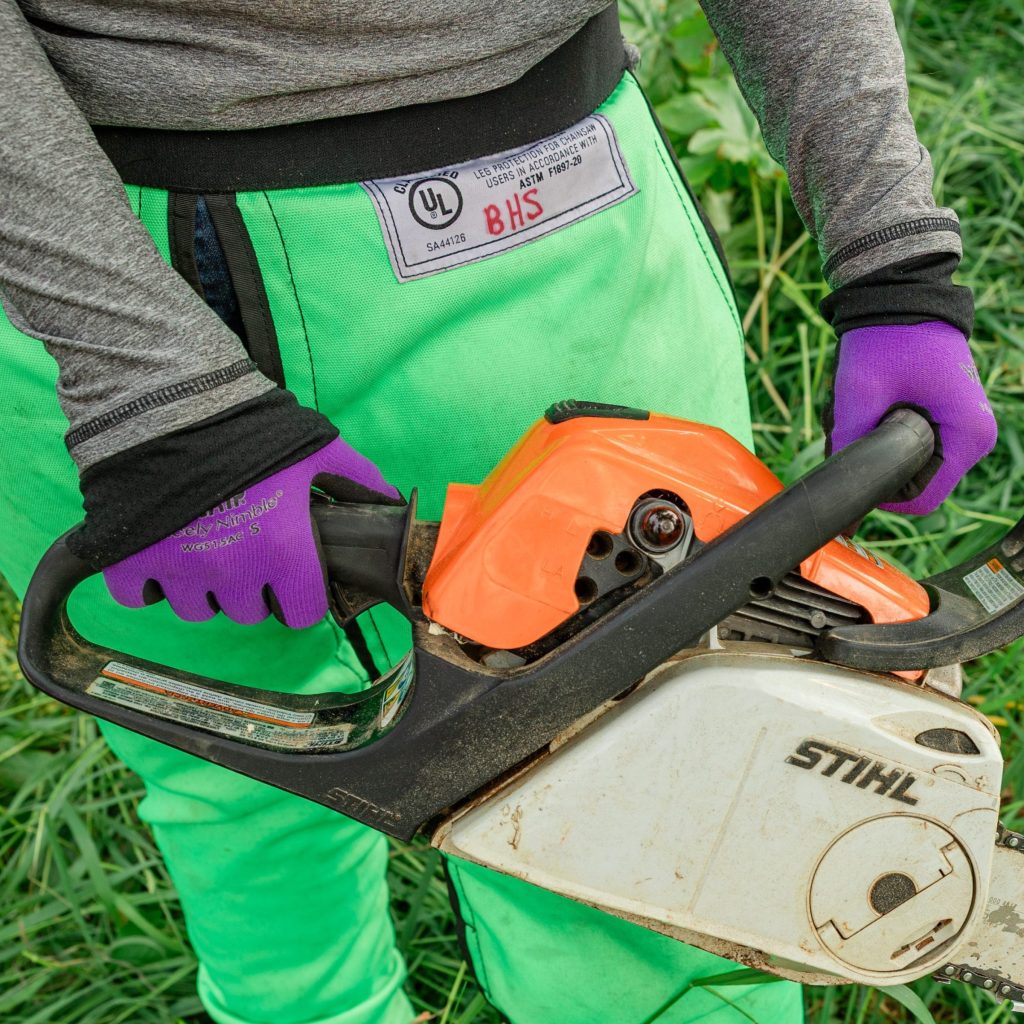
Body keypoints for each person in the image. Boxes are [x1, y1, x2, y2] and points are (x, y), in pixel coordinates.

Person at [0, 1, 996, 1022]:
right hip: (113, 252)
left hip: (578, 202)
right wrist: (151, 389)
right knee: (249, 801)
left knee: (676, 798)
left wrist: (890, 249)